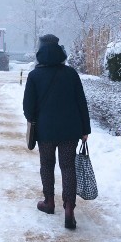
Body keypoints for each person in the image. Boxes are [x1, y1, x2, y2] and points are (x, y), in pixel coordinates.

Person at [22, 34, 91, 230]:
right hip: (70, 130)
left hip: (45, 130)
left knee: (47, 165)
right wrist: (85, 129)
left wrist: (33, 120)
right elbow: (81, 103)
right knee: (68, 167)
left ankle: (49, 202)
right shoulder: (71, 74)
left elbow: (28, 106)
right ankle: (69, 208)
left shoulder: (34, 75)